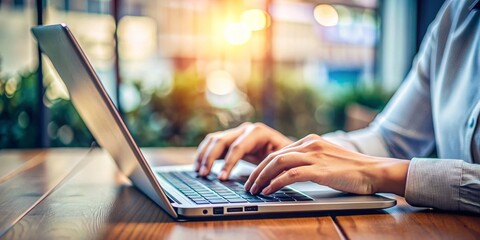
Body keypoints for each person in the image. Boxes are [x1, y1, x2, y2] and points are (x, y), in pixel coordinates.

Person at [195, 0, 480, 214]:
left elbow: (380, 163)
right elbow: (390, 141)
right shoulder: (455, 14)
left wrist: (378, 173)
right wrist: (294, 154)